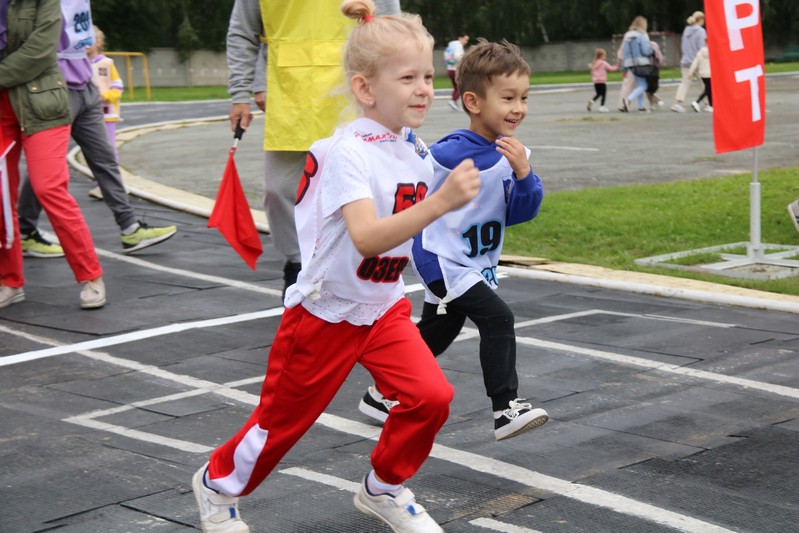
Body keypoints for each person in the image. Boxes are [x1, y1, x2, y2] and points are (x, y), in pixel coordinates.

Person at [190, 2, 480, 532]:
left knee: (431, 396)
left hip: (383, 309)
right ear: (366, 89)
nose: (423, 88)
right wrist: (439, 204)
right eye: (408, 77)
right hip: (325, 314)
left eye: (429, 76)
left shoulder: (411, 147)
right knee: (279, 429)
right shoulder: (345, 151)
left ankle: (384, 488)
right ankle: (216, 485)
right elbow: (368, 237)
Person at [358, 38, 548, 442]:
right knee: (498, 318)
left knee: (440, 329)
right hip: (441, 259)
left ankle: (379, 394)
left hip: (474, 261)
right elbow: (410, 172)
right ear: (474, 102)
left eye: (524, 98)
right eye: (508, 98)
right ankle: (505, 408)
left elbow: (521, 212)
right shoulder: (448, 153)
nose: (519, 108)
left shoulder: (514, 152)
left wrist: (524, 175)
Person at [226, 0, 400, 296]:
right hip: (290, 95)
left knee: (360, 189)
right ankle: (297, 264)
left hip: (353, 92)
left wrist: (396, 85)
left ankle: (351, 267)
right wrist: (242, 91)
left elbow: (394, 29)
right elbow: (243, 32)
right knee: (278, 190)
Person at [17, 0, 177, 258]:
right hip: (55, 90)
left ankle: (130, 228)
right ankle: (25, 231)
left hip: (86, 87)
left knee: (105, 161)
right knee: (47, 168)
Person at [0, 0, 106, 309]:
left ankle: (91, 276)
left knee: (49, 187)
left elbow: (39, 52)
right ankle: (10, 281)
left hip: (41, 102)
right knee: (1, 195)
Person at [86, 24, 124, 199]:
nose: (85, 44)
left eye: (89, 40)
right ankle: (99, 184)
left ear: (99, 42)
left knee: (107, 150)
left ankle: (112, 186)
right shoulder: (79, 63)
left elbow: (118, 87)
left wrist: (104, 96)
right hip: (86, 114)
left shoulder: (107, 63)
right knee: (92, 150)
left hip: (106, 115)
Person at [671, 11, 706, 113]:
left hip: (686, 60)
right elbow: (702, 48)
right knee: (705, 83)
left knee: (685, 83)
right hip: (697, 62)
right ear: (700, 20)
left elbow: (683, 46)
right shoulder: (701, 31)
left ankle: (677, 103)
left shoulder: (686, 30)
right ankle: (708, 103)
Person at [620, 16, 654, 113]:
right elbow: (645, 51)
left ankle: (641, 106)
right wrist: (652, 50)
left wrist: (624, 68)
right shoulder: (642, 35)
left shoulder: (628, 36)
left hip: (630, 64)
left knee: (640, 84)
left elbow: (625, 53)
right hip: (641, 63)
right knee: (644, 85)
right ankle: (628, 100)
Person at [587, 47, 618, 112]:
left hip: (596, 82)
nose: (605, 57)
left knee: (598, 94)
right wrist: (617, 65)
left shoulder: (594, 63)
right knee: (603, 94)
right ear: (601, 56)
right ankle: (602, 106)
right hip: (602, 81)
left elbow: (592, 72)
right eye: (604, 56)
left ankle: (592, 101)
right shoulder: (603, 63)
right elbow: (611, 69)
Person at [444, 32, 469, 111]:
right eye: (465, 40)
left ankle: (454, 104)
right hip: (456, 70)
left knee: (456, 87)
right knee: (460, 87)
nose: (466, 42)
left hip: (449, 69)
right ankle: (453, 101)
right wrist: (464, 59)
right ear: (460, 38)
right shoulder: (459, 46)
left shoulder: (451, 45)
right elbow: (458, 56)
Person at [688, 39, 712, 112]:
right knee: (708, 90)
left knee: (709, 90)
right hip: (710, 74)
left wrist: (690, 72)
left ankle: (711, 106)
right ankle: (696, 102)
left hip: (702, 74)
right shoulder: (713, 51)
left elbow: (695, 63)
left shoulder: (700, 52)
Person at [645, 39, 664, 110]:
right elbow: (660, 60)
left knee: (648, 90)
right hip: (654, 71)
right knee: (651, 89)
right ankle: (655, 102)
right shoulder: (655, 48)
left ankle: (654, 102)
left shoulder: (648, 49)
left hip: (648, 71)